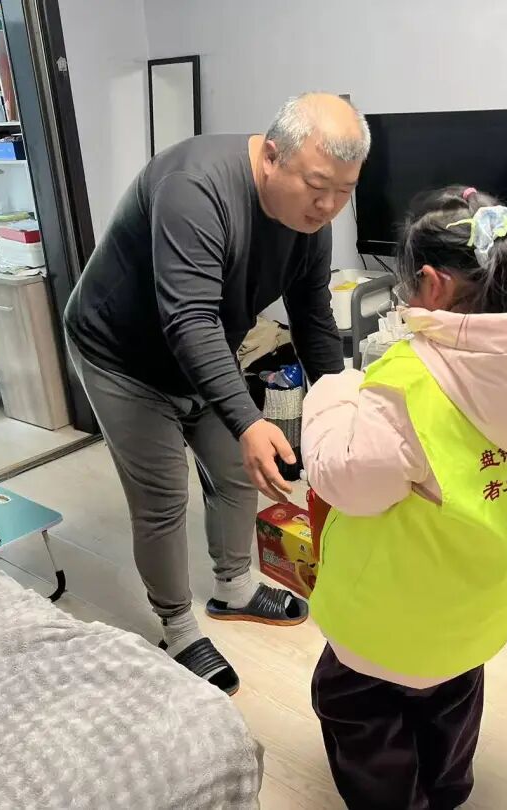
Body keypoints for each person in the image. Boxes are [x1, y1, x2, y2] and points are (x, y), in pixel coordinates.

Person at [64, 93, 370, 695]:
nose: (328, 205)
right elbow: (189, 318)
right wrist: (250, 421)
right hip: (122, 356)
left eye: (345, 190)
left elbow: (312, 315)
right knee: (163, 497)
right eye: (317, 186)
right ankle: (177, 628)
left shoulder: (312, 221)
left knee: (236, 472)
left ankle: (233, 587)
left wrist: (339, 401)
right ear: (272, 156)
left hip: (202, 349)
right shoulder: (194, 187)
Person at [301, 187, 507, 809]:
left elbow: (343, 480)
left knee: (352, 703)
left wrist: (332, 391)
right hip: (482, 607)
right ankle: (448, 790)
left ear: (432, 284)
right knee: (452, 697)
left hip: (391, 621)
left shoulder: (412, 385)